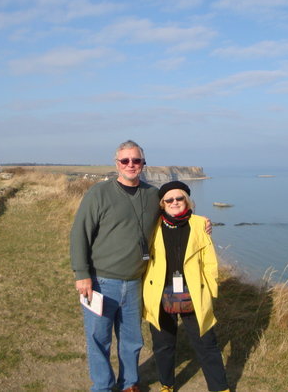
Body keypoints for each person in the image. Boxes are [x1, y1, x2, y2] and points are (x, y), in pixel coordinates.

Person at [70, 140, 160, 392]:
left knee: (132, 339)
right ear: (117, 163)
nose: (131, 165)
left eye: (136, 160)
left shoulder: (153, 195)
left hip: (135, 281)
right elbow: (79, 234)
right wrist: (82, 274)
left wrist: (202, 223)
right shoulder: (99, 193)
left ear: (143, 163)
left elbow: (178, 212)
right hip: (101, 280)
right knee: (98, 339)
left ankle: (129, 383)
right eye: (125, 160)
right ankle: (103, 386)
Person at [142, 181, 229, 392]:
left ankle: (220, 388)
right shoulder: (152, 226)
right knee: (163, 345)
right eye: (168, 199)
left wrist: (210, 289)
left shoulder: (200, 224)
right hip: (159, 292)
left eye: (179, 198)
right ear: (162, 204)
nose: (174, 202)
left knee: (207, 344)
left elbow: (210, 261)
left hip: (194, 293)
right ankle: (167, 385)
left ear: (187, 200)